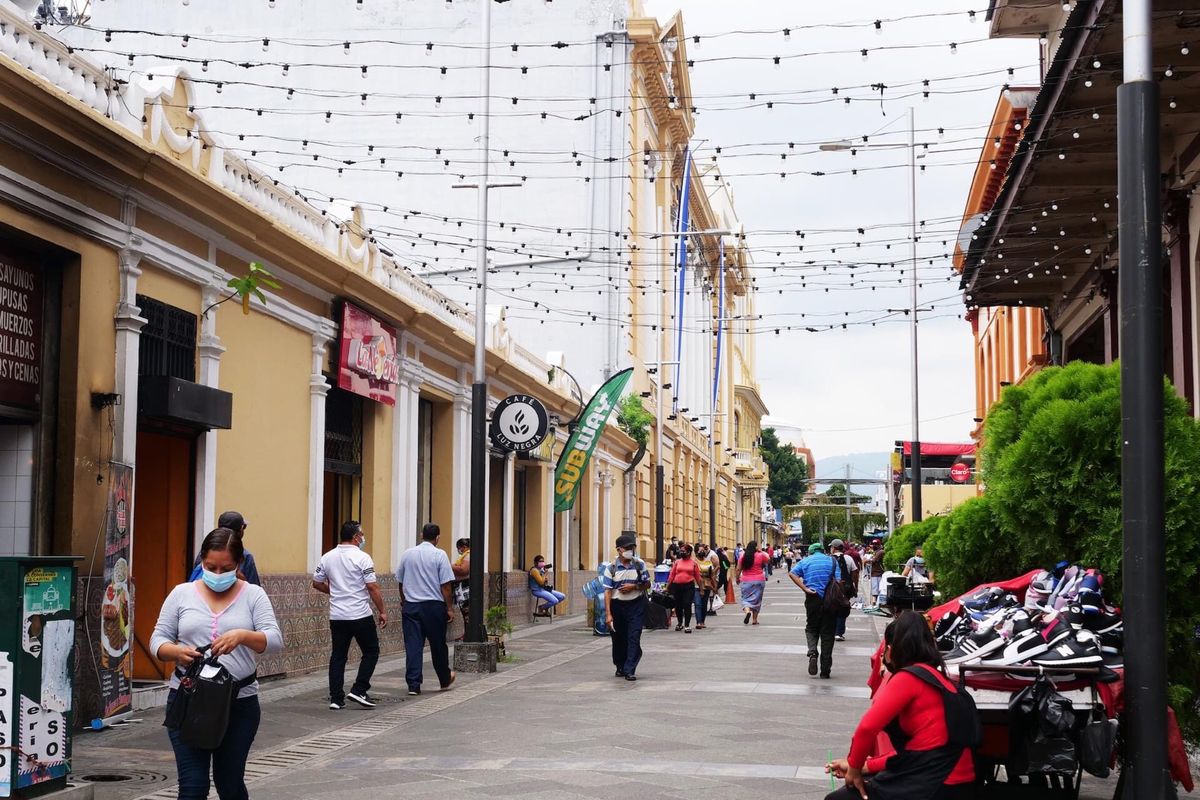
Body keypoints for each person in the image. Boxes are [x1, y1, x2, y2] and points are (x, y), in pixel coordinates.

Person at [152, 528, 283, 800]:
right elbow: (157, 640)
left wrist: (242, 636)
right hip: (188, 702)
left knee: (230, 783)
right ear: (202, 560)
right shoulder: (182, 593)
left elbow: (274, 640)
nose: (218, 573)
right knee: (193, 786)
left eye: (226, 568)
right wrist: (176, 651)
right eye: (211, 566)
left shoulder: (253, 595)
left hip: (239, 704)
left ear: (238, 564)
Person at [824, 612, 977, 800]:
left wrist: (854, 769)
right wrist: (862, 766)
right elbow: (913, 753)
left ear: (890, 649)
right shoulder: (940, 679)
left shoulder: (908, 677)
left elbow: (866, 729)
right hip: (954, 780)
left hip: (934, 782)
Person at [312, 520, 387, 709]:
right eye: (361, 534)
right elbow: (372, 586)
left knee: (338, 656)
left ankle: (336, 698)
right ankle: (359, 689)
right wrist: (382, 611)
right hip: (360, 614)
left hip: (337, 616)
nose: (363, 538)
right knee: (371, 651)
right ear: (355, 537)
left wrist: (335, 591)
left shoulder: (327, 557)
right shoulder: (363, 558)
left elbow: (316, 582)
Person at [395, 523, 457, 696]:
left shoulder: (407, 554)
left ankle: (413, 684)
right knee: (438, 644)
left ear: (421, 535)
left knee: (413, 645)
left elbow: (400, 581)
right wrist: (449, 608)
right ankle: (444, 678)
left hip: (411, 606)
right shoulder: (440, 555)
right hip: (433, 607)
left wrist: (404, 601)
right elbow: (445, 585)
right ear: (437, 538)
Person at [789, 541, 842, 679]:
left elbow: (792, 573)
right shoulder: (832, 561)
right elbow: (839, 581)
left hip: (812, 598)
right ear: (823, 550)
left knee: (811, 628)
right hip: (830, 601)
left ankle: (812, 651)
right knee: (828, 634)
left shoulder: (806, 561)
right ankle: (825, 670)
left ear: (811, 552)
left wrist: (804, 588)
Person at [602, 533, 651, 681]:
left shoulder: (639, 564)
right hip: (617, 606)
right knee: (618, 638)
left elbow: (647, 583)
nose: (631, 550)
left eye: (632, 547)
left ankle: (630, 669)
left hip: (636, 605)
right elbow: (607, 592)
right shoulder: (611, 568)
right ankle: (620, 665)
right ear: (619, 550)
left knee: (634, 636)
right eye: (628, 548)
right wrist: (608, 614)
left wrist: (634, 586)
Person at [189, 511, 260, 586]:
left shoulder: (206, 552)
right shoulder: (245, 556)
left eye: (227, 569)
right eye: (211, 568)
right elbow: (254, 586)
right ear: (241, 530)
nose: (218, 575)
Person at [733, 540, 771, 625]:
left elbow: (738, 569)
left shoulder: (743, 556)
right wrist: (762, 551)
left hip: (746, 580)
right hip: (759, 580)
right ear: (756, 547)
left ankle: (747, 611)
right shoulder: (760, 555)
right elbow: (768, 559)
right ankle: (754, 620)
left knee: (745, 599)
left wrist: (737, 578)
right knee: (757, 600)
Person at [666, 543, 700, 632]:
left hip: (688, 586)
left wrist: (701, 588)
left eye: (683, 551)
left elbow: (698, 577)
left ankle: (687, 625)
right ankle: (680, 623)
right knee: (678, 606)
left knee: (687, 604)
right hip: (677, 586)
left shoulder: (694, 563)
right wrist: (667, 586)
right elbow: (672, 575)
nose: (681, 552)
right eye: (681, 551)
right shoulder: (677, 562)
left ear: (689, 552)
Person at [830, 539, 859, 642]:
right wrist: (855, 586)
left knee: (832, 608)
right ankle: (839, 633)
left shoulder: (829, 559)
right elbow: (855, 573)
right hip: (845, 588)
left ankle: (832, 631)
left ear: (834, 548)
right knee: (843, 608)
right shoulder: (849, 558)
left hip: (832, 588)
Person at [695, 544, 718, 625]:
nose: (702, 552)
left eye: (703, 550)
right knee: (698, 604)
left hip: (707, 586)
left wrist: (715, 587)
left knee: (704, 605)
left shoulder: (708, 562)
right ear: (696, 552)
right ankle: (698, 622)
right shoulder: (694, 562)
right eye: (700, 550)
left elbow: (712, 575)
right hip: (696, 586)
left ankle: (702, 622)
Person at [451, 538, 470, 635]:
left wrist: (450, 566)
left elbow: (463, 570)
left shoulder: (468, 556)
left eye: (459, 548)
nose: (459, 550)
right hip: (461, 588)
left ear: (464, 547)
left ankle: (468, 634)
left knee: (467, 613)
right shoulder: (465, 556)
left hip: (465, 589)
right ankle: (467, 633)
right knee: (465, 612)